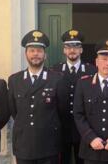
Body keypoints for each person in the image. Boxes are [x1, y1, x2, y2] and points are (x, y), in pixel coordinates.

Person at [8, 30, 65, 164]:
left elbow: (62, 112)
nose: (35, 54)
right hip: (24, 144)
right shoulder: (15, 80)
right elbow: (13, 111)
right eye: (32, 50)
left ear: (45, 55)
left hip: (49, 144)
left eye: (39, 51)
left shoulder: (57, 79)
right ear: (26, 54)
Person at [52, 29, 97, 164]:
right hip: (61, 127)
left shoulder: (92, 70)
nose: (72, 50)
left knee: (82, 161)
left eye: (76, 47)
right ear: (64, 50)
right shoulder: (55, 70)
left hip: (84, 128)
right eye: (69, 47)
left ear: (81, 50)